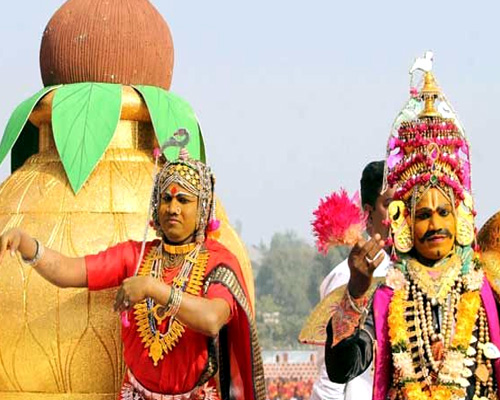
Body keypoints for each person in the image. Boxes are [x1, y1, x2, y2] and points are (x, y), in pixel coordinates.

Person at [0, 131, 265, 400]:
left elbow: (211, 319)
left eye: (183, 200)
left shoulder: (218, 260)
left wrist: (153, 288)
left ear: (204, 208)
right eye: (166, 198)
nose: (172, 208)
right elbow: (67, 272)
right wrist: (26, 244)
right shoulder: (136, 256)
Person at [325, 56, 500, 400]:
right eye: (423, 215)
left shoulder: (488, 287)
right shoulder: (388, 297)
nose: (435, 224)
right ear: (405, 221)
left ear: (460, 216)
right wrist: (356, 291)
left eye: (442, 212)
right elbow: (342, 367)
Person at [310, 160, 394, 400]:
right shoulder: (346, 276)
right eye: (389, 205)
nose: (401, 215)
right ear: (368, 214)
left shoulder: (412, 271)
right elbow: (330, 380)